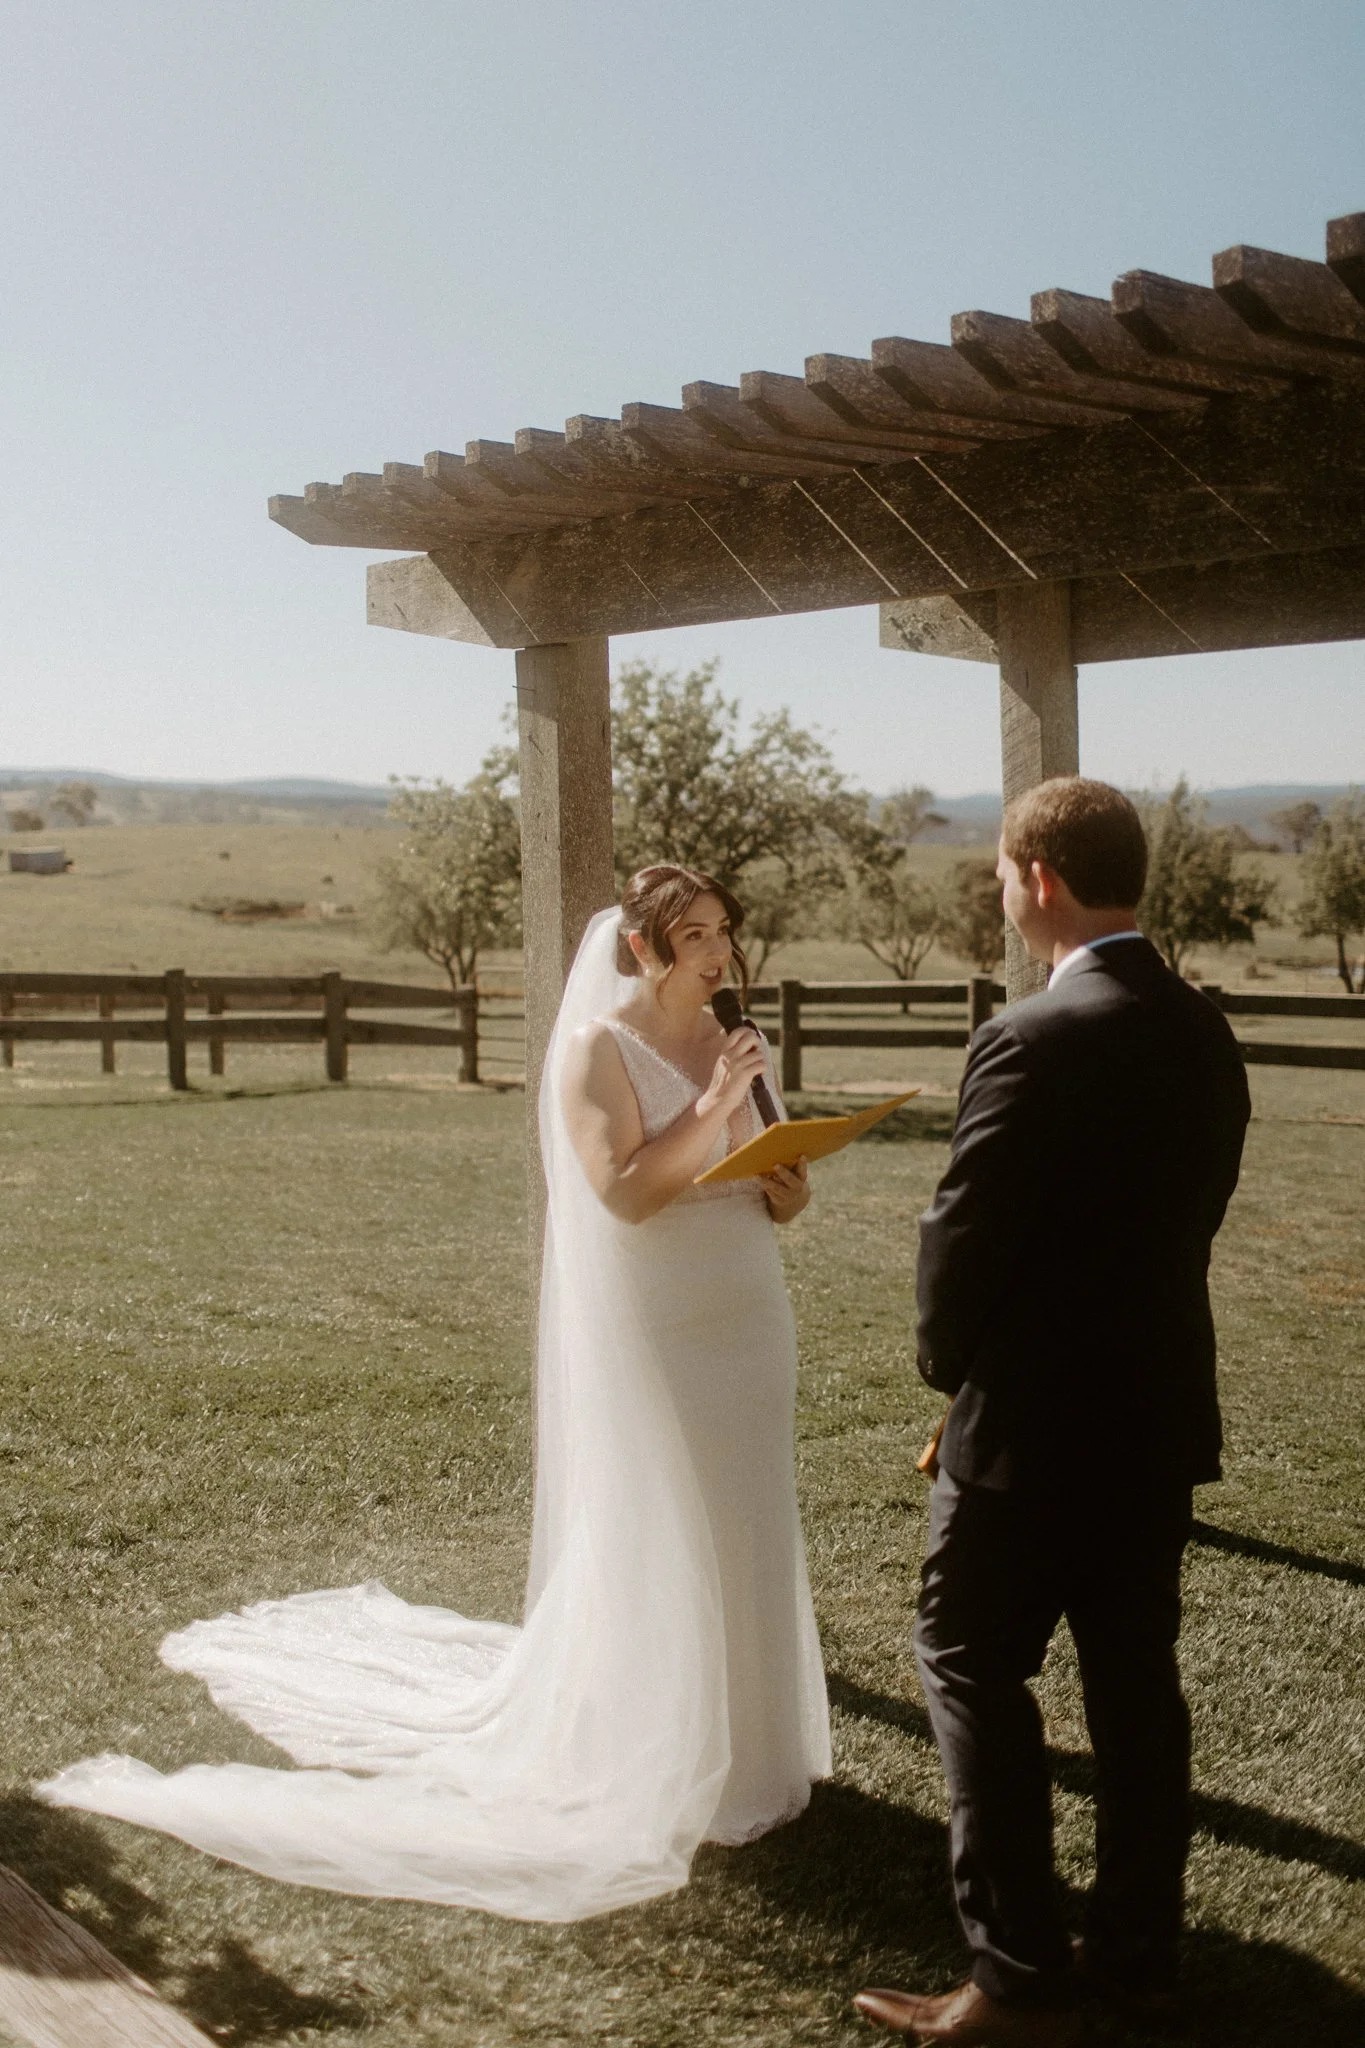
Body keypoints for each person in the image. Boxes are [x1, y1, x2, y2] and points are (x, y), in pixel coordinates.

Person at [40, 864, 829, 1921]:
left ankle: (756, 1742)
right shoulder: (600, 1049)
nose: (716, 953)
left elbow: (768, 1182)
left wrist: (786, 1179)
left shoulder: (739, 1043)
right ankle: (664, 1739)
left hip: (748, 1306)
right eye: (692, 935)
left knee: (746, 1513)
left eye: (722, 931)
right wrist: (717, 1104)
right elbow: (627, 1193)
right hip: (662, 1313)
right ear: (643, 948)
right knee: (668, 1518)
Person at [855, 779, 1250, 2045]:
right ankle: (1139, 1956)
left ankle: (1017, 1971)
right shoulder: (1205, 1031)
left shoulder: (1025, 1036)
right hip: (1154, 1416)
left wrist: (953, 1374)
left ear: (1038, 879)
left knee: (968, 1659)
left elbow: (959, 1242)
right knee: (1136, 1685)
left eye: (998, 874)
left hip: (1026, 1430)